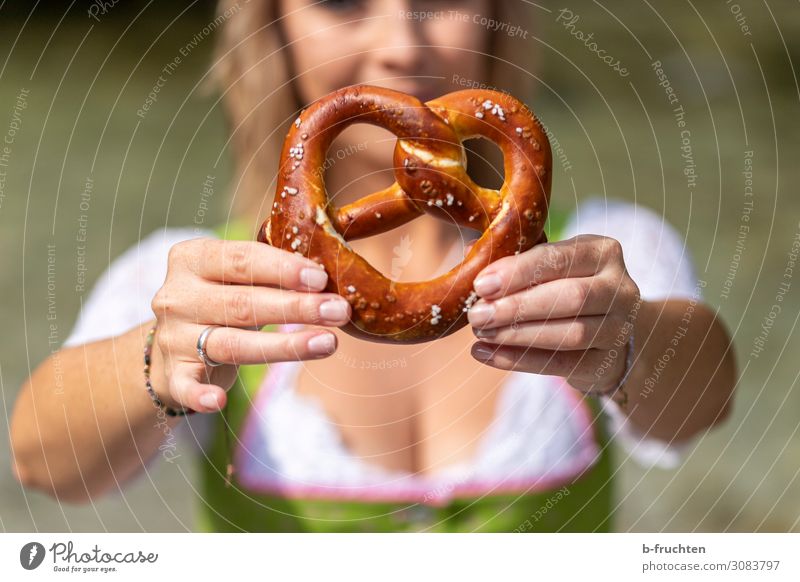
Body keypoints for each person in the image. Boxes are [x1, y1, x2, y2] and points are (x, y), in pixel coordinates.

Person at [10, 0, 736, 532]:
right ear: (272, 28)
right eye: (342, 3)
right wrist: (161, 364)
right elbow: (44, 465)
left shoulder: (593, 260)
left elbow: (701, 406)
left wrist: (625, 339)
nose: (401, 43)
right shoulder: (209, 285)